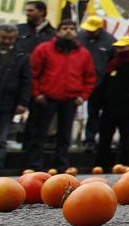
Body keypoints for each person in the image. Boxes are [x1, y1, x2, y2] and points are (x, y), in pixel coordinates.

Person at [26, 18, 95, 170]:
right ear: (58, 31)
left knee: (64, 135)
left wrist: (83, 96)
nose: (68, 31)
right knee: (39, 133)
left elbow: (89, 77)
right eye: (65, 28)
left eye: (72, 28)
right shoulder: (44, 49)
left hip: (71, 99)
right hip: (47, 98)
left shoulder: (83, 53)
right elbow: (33, 73)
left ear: (76, 32)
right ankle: (34, 165)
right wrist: (36, 93)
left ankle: (61, 166)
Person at [92, 36, 129, 169]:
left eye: (122, 47)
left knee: (126, 140)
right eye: (118, 47)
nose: (119, 50)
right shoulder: (112, 64)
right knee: (104, 139)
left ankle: (125, 165)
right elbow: (103, 86)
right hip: (109, 109)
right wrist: (97, 105)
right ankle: (102, 165)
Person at [0, 24, 31, 170]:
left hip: (6, 104)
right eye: (4, 37)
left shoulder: (21, 56)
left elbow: (26, 80)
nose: (7, 41)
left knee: (0, 140)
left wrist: (23, 102)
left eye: (10, 38)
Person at [78, 15, 115, 151]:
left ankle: (90, 139)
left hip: (99, 83)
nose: (89, 32)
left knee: (93, 112)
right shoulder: (79, 37)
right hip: (77, 80)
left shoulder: (110, 42)